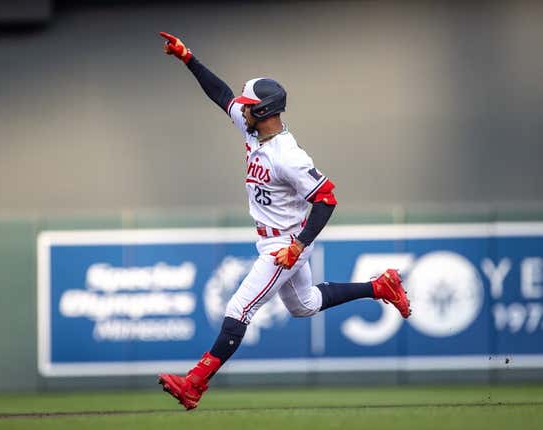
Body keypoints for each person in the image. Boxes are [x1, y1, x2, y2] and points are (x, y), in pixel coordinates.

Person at [157, 32, 411, 411]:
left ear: (263, 111)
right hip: (274, 239)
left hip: (284, 245)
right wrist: (188, 58)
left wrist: (299, 246)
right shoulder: (252, 129)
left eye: (248, 106)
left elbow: (326, 199)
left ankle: (194, 384)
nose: (241, 110)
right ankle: (381, 286)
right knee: (304, 304)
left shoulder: (288, 156)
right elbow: (221, 94)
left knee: (239, 309)